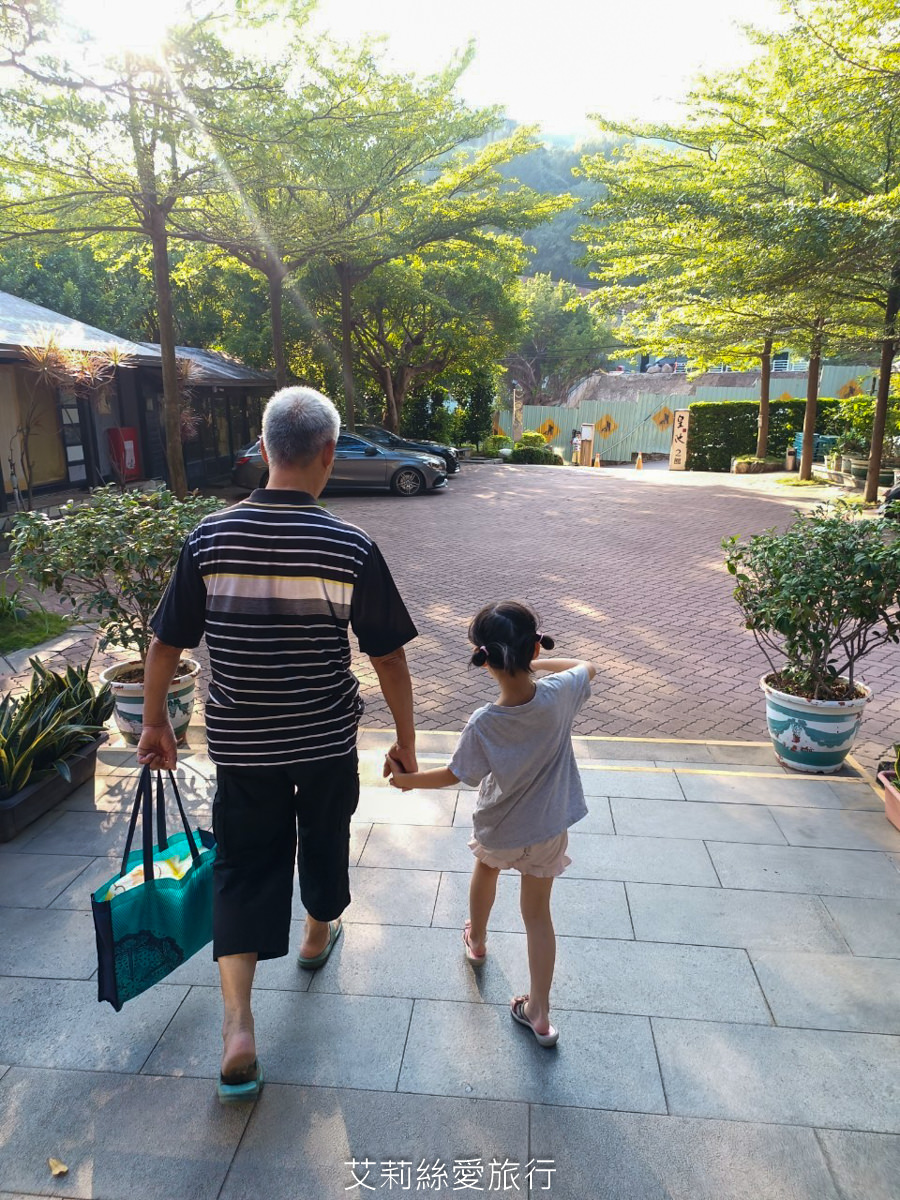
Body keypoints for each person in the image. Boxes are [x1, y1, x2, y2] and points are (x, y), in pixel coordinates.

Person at [136, 386, 418, 1102]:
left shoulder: (209, 539)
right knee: (323, 839)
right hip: (323, 741)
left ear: (263, 450)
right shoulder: (350, 546)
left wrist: (154, 723)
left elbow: (166, 642)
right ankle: (317, 938)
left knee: (242, 866)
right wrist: (406, 741)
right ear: (328, 453)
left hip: (242, 745)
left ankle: (237, 1027)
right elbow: (388, 657)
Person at [386, 601, 595, 1047]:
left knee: (486, 871)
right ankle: (539, 1013)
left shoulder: (484, 723)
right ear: (534, 646)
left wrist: (406, 782)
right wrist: (536, 659)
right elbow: (587, 665)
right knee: (538, 916)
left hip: (500, 828)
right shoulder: (560, 693)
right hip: (549, 828)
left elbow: (454, 775)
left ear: (485, 660)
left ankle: (476, 940)